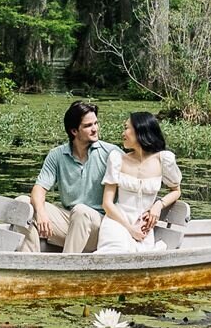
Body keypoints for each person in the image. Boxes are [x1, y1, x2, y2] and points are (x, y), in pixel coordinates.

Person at [22, 99, 118, 253]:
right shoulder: (57, 155)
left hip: (100, 227)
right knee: (23, 204)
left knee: (81, 211)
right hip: (70, 221)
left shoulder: (111, 153)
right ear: (74, 131)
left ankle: (64, 271)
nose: (95, 129)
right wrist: (41, 213)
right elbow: (39, 188)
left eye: (96, 123)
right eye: (88, 126)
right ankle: (30, 265)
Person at [95, 111, 182, 254]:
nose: (123, 133)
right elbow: (107, 203)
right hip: (117, 222)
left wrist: (158, 205)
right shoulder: (118, 159)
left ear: (140, 130)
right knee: (116, 252)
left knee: (139, 259)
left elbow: (176, 190)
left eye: (126, 128)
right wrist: (130, 229)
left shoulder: (163, 160)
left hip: (143, 228)